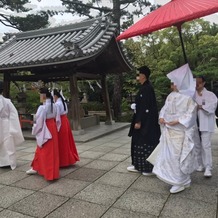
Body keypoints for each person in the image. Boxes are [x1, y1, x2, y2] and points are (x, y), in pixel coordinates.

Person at [147, 64, 198, 194]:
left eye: (174, 82)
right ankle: (183, 180)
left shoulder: (189, 97)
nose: (172, 85)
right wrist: (162, 118)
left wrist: (178, 121)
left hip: (180, 131)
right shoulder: (171, 96)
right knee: (170, 157)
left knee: (178, 156)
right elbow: (164, 109)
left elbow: (191, 113)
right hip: (169, 130)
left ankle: (179, 181)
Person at [127, 66, 160, 176]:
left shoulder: (147, 88)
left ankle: (147, 168)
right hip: (143, 119)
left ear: (143, 76)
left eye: (139, 74)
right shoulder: (144, 87)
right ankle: (138, 165)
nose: (138, 77)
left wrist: (139, 121)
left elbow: (146, 106)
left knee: (145, 141)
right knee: (138, 141)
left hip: (146, 122)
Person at [26, 88, 60, 181]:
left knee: (44, 150)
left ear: (43, 96)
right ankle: (45, 170)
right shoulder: (55, 106)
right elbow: (58, 120)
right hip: (52, 127)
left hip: (45, 127)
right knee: (51, 150)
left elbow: (39, 121)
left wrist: (35, 129)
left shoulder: (43, 107)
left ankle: (47, 171)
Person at [193, 75, 218, 177]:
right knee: (197, 145)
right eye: (195, 82)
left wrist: (202, 106)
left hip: (206, 123)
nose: (197, 84)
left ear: (203, 83)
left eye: (199, 82)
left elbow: (213, 106)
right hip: (195, 122)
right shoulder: (192, 94)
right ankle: (200, 164)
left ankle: (208, 167)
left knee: (206, 146)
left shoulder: (210, 95)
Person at [0, 81, 24, 170]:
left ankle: (3, 162)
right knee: (7, 143)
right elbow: (13, 114)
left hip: (3, 123)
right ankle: (9, 162)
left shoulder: (6, 101)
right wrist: (14, 127)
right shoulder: (7, 101)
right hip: (6, 123)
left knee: (4, 143)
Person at [53, 89, 79, 167]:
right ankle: (69, 159)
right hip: (65, 121)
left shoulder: (57, 104)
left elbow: (56, 116)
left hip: (60, 122)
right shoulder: (63, 102)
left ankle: (63, 161)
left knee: (61, 141)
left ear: (55, 96)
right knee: (66, 141)